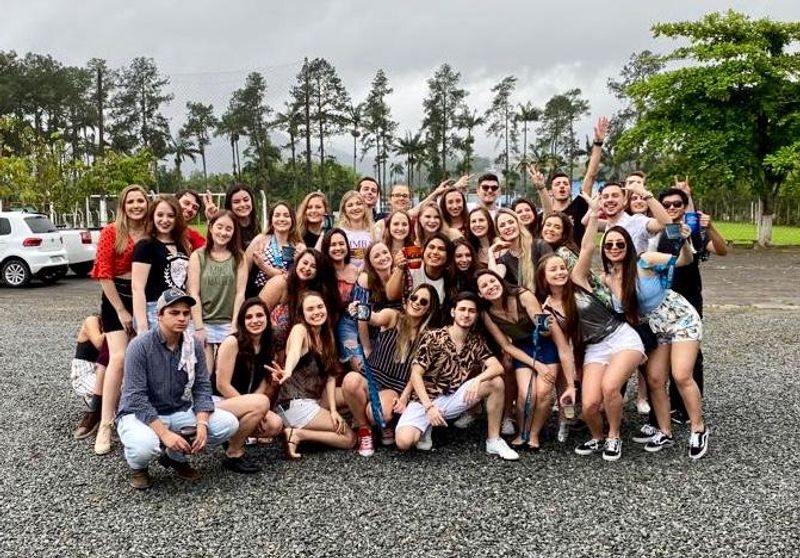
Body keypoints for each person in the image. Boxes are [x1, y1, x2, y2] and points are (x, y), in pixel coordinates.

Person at [536, 194, 646, 461]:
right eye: (553, 270)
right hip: (595, 348)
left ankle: (614, 437)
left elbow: (586, 248)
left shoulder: (578, 280)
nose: (560, 272)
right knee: (588, 406)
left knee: (610, 387)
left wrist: (595, 214)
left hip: (620, 337)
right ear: (544, 277)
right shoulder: (548, 309)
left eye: (562, 267)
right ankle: (597, 437)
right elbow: (564, 350)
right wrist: (569, 386)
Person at [116, 288, 242, 490]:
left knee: (228, 424)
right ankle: (139, 468)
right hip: (138, 413)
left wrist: (202, 424)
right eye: (174, 313)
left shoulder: (193, 345)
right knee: (143, 446)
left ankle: (174, 457)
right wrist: (164, 435)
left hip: (175, 408)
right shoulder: (139, 346)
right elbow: (135, 397)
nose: (182, 318)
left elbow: (202, 386)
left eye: (186, 313)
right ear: (159, 315)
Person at [600, 225, 708, 458]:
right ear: (604, 249)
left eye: (620, 243)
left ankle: (698, 429)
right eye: (609, 244)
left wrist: (685, 242)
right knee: (655, 379)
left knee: (681, 374)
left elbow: (683, 261)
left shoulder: (645, 261)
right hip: (653, 328)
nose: (614, 248)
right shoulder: (607, 278)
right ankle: (665, 431)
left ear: (628, 245)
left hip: (679, 318)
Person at [394, 292, 519, 461]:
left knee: (496, 383)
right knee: (404, 442)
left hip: (452, 397)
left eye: (471, 311)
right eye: (462, 309)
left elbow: (497, 367)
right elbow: (416, 374)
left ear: (476, 316)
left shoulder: (475, 341)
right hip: (425, 400)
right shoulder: (433, 337)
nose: (466, 314)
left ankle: (494, 440)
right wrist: (429, 408)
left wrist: (478, 380)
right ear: (453, 312)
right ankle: (426, 426)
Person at [642, 185, 727, 430]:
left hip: (688, 300)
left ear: (685, 206)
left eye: (677, 204)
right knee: (658, 357)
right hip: (659, 302)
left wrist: (710, 227)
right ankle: (663, 412)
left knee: (690, 360)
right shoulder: (658, 231)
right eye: (666, 204)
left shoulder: (695, 230)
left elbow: (722, 250)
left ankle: (687, 410)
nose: (672, 208)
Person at [476, 270, 576, 450]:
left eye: (493, 281)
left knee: (543, 391)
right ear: (480, 294)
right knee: (525, 394)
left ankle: (534, 434)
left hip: (545, 344)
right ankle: (522, 432)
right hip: (522, 349)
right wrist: (537, 365)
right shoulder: (487, 314)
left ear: (501, 281)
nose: (491, 286)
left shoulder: (523, 295)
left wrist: (544, 325)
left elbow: (545, 331)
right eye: (484, 285)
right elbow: (506, 346)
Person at [342, 284, 441, 456]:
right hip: (371, 377)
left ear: (429, 309)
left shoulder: (429, 336)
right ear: (407, 299)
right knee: (349, 381)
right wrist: (358, 308)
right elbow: (373, 317)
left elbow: (417, 373)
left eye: (423, 301)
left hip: (394, 386)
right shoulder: (394, 317)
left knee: (376, 413)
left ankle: (380, 422)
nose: (417, 302)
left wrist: (404, 397)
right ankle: (365, 430)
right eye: (414, 297)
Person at [91, 183, 149, 456]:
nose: (136, 206)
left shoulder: (151, 232)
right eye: (131, 201)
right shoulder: (112, 232)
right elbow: (103, 273)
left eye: (140, 201)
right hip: (116, 297)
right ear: (123, 206)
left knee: (145, 357)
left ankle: (141, 412)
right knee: (119, 357)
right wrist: (121, 311)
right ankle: (105, 423)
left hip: (144, 297)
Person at [267, 291, 357, 459]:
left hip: (314, 399)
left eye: (320, 307)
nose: (316, 312)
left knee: (351, 395)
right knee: (349, 439)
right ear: (302, 314)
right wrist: (288, 369)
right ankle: (298, 434)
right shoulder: (300, 330)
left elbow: (330, 377)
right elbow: (294, 352)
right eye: (310, 309)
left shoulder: (326, 335)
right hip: (294, 404)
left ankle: (357, 426)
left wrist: (333, 411)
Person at [214, 298, 285, 469]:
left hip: (246, 401)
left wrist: (257, 408)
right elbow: (222, 384)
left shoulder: (268, 345)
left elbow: (262, 385)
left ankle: (232, 442)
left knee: (275, 424)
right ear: (242, 321)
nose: (255, 320)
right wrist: (251, 405)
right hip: (218, 400)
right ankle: (234, 453)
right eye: (249, 317)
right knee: (261, 404)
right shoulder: (232, 342)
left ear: (267, 318)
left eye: (260, 315)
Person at [187, 210, 247, 376]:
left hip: (228, 323)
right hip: (204, 323)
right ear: (211, 227)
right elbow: (194, 293)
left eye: (228, 229)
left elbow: (240, 294)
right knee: (204, 374)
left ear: (234, 232)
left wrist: (234, 325)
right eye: (219, 227)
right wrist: (199, 327)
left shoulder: (239, 257)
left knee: (224, 374)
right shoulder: (198, 256)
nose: (223, 232)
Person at [258, 248, 339, 361]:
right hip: (271, 344)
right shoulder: (280, 282)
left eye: (313, 266)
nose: (307, 268)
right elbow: (258, 311)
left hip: (301, 350)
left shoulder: (316, 293)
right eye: (305, 263)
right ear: (297, 263)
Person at [132, 195, 193, 335]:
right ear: (152, 216)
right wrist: (142, 325)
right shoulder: (145, 246)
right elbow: (137, 287)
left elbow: (188, 284)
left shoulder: (183, 245)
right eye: (160, 215)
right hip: (155, 311)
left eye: (170, 216)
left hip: (181, 310)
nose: (165, 220)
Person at [547, 117, 609, 244]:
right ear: (550, 191)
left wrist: (598, 143)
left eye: (565, 183)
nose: (562, 186)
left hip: (578, 255)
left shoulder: (578, 206)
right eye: (557, 184)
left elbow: (591, 175)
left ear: (570, 189)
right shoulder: (546, 215)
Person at [387, 232, 454, 319]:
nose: (435, 252)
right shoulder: (412, 268)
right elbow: (391, 296)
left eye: (441, 249)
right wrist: (400, 268)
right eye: (431, 247)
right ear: (423, 251)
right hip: (407, 319)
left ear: (448, 256)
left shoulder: (451, 280)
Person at [599, 175, 671, 254]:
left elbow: (666, 223)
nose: (610, 200)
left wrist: (645, 194)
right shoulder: (608, 226)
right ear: (601, 202)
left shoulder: (637, 221)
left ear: (625, 200)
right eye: (605, 197)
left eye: (615, 196)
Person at [245, 201, 304, 298]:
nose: (282, 219)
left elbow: (288, 278)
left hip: (287, 297)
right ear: (271, 220)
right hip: (260, 295)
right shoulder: (261, 240)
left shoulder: (298, 247)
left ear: (292, 220)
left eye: (286, 215)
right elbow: (244, 269)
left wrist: (263, 266)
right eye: (277, 215)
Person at [355, 242, 397, 355]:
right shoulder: (365, 279)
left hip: (394, 335)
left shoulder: (397, 275)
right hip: (372, 336)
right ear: (370, 262)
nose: (383, 257)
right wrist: (367, 348)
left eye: (385, 252)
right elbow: (361, 316)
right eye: (376, 256)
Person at [71, 314, 105, 440]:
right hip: (85, 372)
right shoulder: (92, 320)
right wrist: (115, 326)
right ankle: (93, 412)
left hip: (103, 371)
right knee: (107, 392)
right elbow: (99, 343)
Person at [488, 209, 536, 291]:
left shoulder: (538, 246)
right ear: (499, 233)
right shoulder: (504, 259)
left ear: (518, 224)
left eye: (511, 222)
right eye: (502, 225)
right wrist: (491, 253)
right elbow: (495, 281)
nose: (507, 227)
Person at [337, 190, 375, 269]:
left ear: (364, 207)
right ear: (345, 210)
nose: (355, 208)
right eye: (350, 205)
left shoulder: (374, 231)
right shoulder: (339, 233)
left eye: (359, 204)